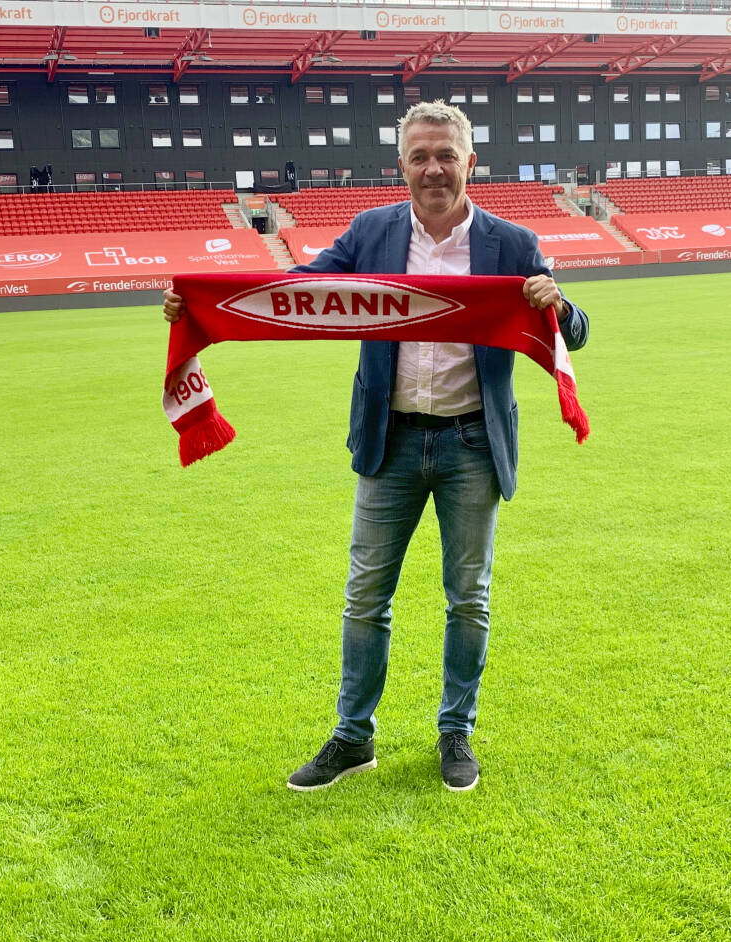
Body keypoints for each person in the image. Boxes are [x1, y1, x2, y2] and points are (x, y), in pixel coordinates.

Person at [163, 101, 589, 792]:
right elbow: (301, 289)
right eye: (420, 156)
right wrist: (206, 302)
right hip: (389, 441)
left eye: (446, 155)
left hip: (473, 443)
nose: (434, 168)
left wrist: (560, 304)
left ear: (470, 161)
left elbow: (576, 334)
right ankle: (353, 738)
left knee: (468, 598)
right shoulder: (373, 232)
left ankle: (456, 734)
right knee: (365, 597)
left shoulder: (512, 244)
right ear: (401, 165)